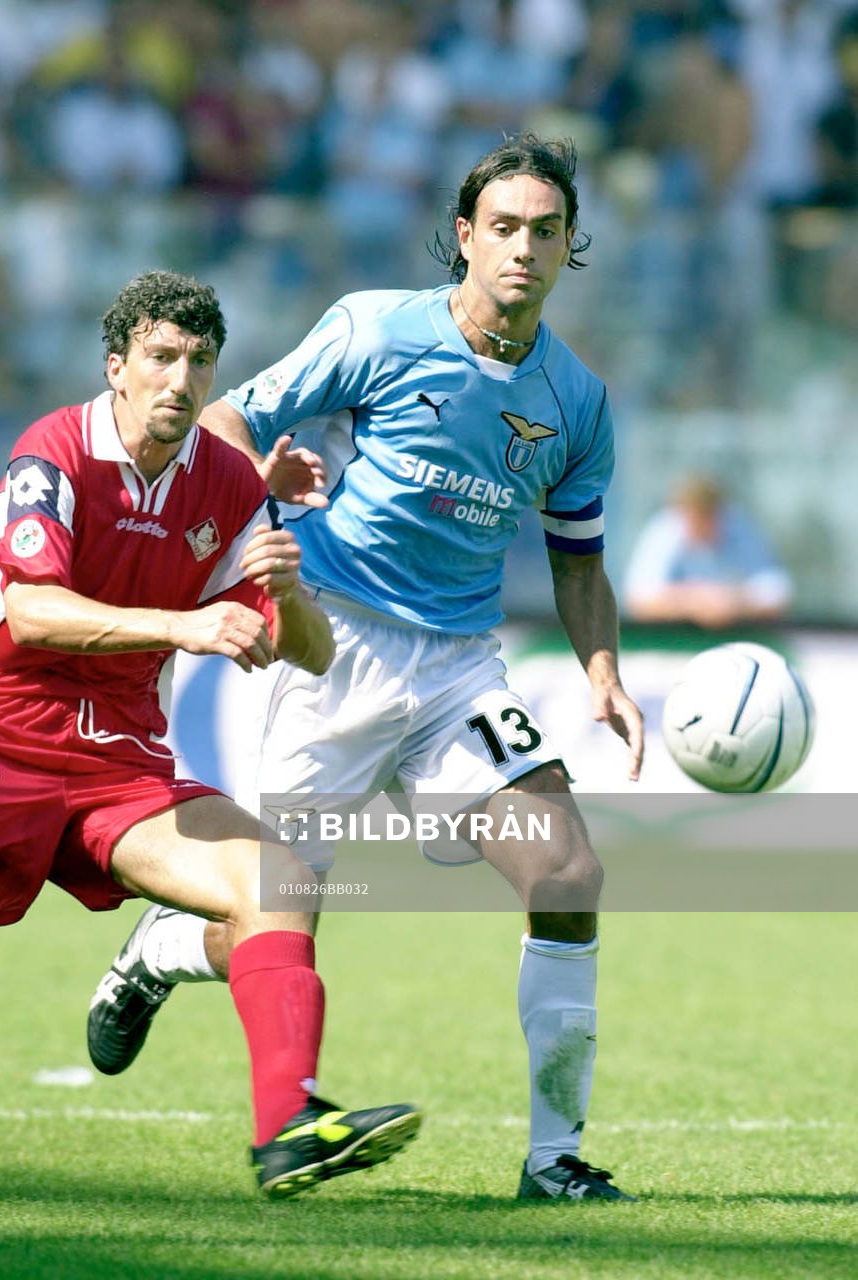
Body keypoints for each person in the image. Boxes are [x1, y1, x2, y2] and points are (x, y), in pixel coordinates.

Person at [88, 137, 644, 1202]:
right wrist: (257, 476)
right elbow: (226, 415)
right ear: (466, 235)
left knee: (568, 874)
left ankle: (553, 1156)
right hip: (330, 644)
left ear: (570, 245)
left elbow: (579, 560)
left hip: (459, 674)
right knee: (280, 913)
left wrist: (604, 670)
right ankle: (164, 948)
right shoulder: (376, 327)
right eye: (505, 226)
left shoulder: (577, 401)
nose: (524, 247)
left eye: (547, 229)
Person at [0, 270, 421, 1200]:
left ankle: (288, 1124)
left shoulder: (231, 483)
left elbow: (310, 655)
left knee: (279, 878)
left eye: (200, 362)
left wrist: (285, 589)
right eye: (161, 357)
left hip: (119, 762)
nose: (181, 379)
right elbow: (33, 612)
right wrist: (183, 627)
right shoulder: (56, 449)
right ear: (116, 367)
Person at [623, 473, 793, 628]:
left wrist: (734, 601)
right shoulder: (665, 530)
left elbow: (777, 592)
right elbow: (638, 597)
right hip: (674, 641)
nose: (700, 524)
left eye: (707, 516)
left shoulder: (741, 528)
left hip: (738, 638)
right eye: (694, 517)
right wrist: (692, 600)